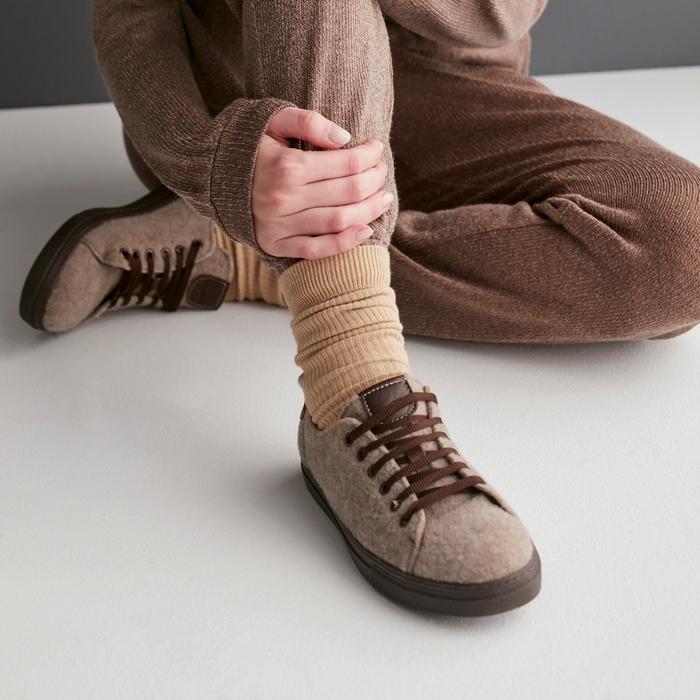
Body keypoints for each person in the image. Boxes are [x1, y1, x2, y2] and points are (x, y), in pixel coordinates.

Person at [19, 1, 700, 616]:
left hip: (451, 93)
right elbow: (131, 15)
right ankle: (350, 378)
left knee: (683, 239)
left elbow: (502, 13)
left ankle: (255, 260)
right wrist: (209, 164)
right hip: (250, 108)